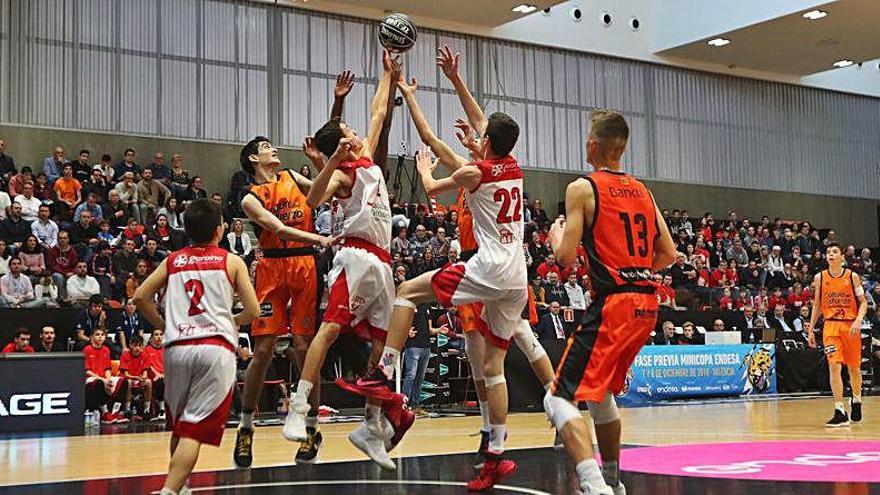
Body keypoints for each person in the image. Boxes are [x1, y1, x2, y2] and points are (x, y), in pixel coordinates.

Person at [285, 50, 403, 471]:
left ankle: (371, 426)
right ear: (341, 145)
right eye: (348, 132)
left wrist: (388, 76)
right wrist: (331, 159)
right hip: (354, 257)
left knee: (384, 346)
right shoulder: (343, 173)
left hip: (382, 264)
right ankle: (299, 407)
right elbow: (311, 197)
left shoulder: (366, 158)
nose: (356, 131)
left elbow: (375, 111)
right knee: (330, 330)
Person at [546, 110, 676, 495]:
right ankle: (615, 483)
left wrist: (556, 237)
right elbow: (668, 253)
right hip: (646, 306)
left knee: (557, 399)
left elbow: (565, 259)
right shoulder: (643, 191)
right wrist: (634, 271)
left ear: (592, 146)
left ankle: (593, 484)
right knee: (600, 393)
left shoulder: (582, 188)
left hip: (615, 304)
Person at [133, 198, 260, 495]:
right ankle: (169, 490)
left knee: (180, 426)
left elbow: (140, 297)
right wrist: (234, 320)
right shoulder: (232, 261)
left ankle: (182, 486)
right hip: (215, 349)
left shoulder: (173, 260)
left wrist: (164, 325)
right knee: (193, 430)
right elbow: (253, 311)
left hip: (176, 348)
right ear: (220, 230)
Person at [233, 136, 333, 468]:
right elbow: (278, 228)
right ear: (252, 159)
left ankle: (311, 429)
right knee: (262, 350)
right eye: (265, 147)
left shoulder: (291, 176)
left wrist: (321, 159)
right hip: (272, 268)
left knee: (305, 348)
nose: (273, 149)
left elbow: (326, 188)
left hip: (304, 267)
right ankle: (246, 427)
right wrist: (319, 237)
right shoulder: (250, 198)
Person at [807, 242, 868, 428]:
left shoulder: (852, 276)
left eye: (834, 252)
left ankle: (856, 399)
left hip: (850, 326)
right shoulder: (820, 277)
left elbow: (863, 302)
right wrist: (811, 328)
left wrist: (858, 320)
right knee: (834, 366)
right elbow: (817, 304)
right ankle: (839, 410)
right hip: (831, 326)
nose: (830, 255)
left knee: (854, 369)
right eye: (828, 252)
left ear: (842, 256)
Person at [83, 327, 128, 424]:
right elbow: (87, 371)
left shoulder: (106, 350)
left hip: (104, 377)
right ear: (91, 337)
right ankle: (104, 413)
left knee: (123, 381)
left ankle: (115, 412)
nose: (100, 337)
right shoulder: (87, 349)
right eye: (97, 335)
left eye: (102, 335)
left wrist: (108, 379)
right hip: (90, 378)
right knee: (98, 382)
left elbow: (107, 368)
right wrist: (103, 380)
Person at [118, 334, 153, 421]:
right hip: (126, 379)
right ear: (130, 345)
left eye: (139, 345)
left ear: (142, 346)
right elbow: (125, 374)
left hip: (138, 379)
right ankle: (127, 409)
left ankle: (146, 410)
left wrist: (143, 379)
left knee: (148, 382)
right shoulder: (125, 355)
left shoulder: (144, 355)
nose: (137, 348)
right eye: (135, 345)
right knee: (129, 382)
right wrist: (137, 378)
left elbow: (145, 371)